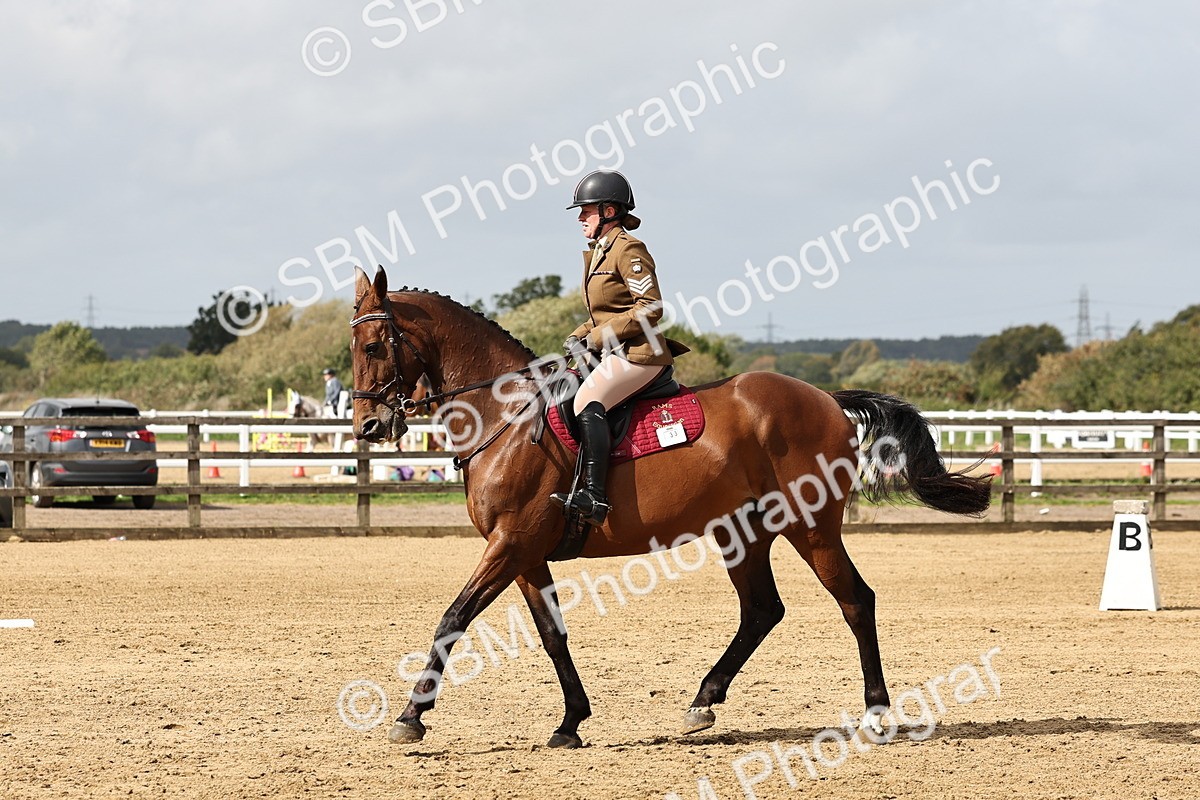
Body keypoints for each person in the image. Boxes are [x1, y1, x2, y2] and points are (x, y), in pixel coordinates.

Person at [549, 170, 689, 525]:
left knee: (587, 401)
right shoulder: (600, 252)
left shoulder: (628, 249)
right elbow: (605, 313)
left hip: (640, 354)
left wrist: (595, 339)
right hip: (614, 350)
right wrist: (579, 333)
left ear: (609, 211)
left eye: (587, 210)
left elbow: (650, 308)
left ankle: (595, 498)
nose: (581, 217)